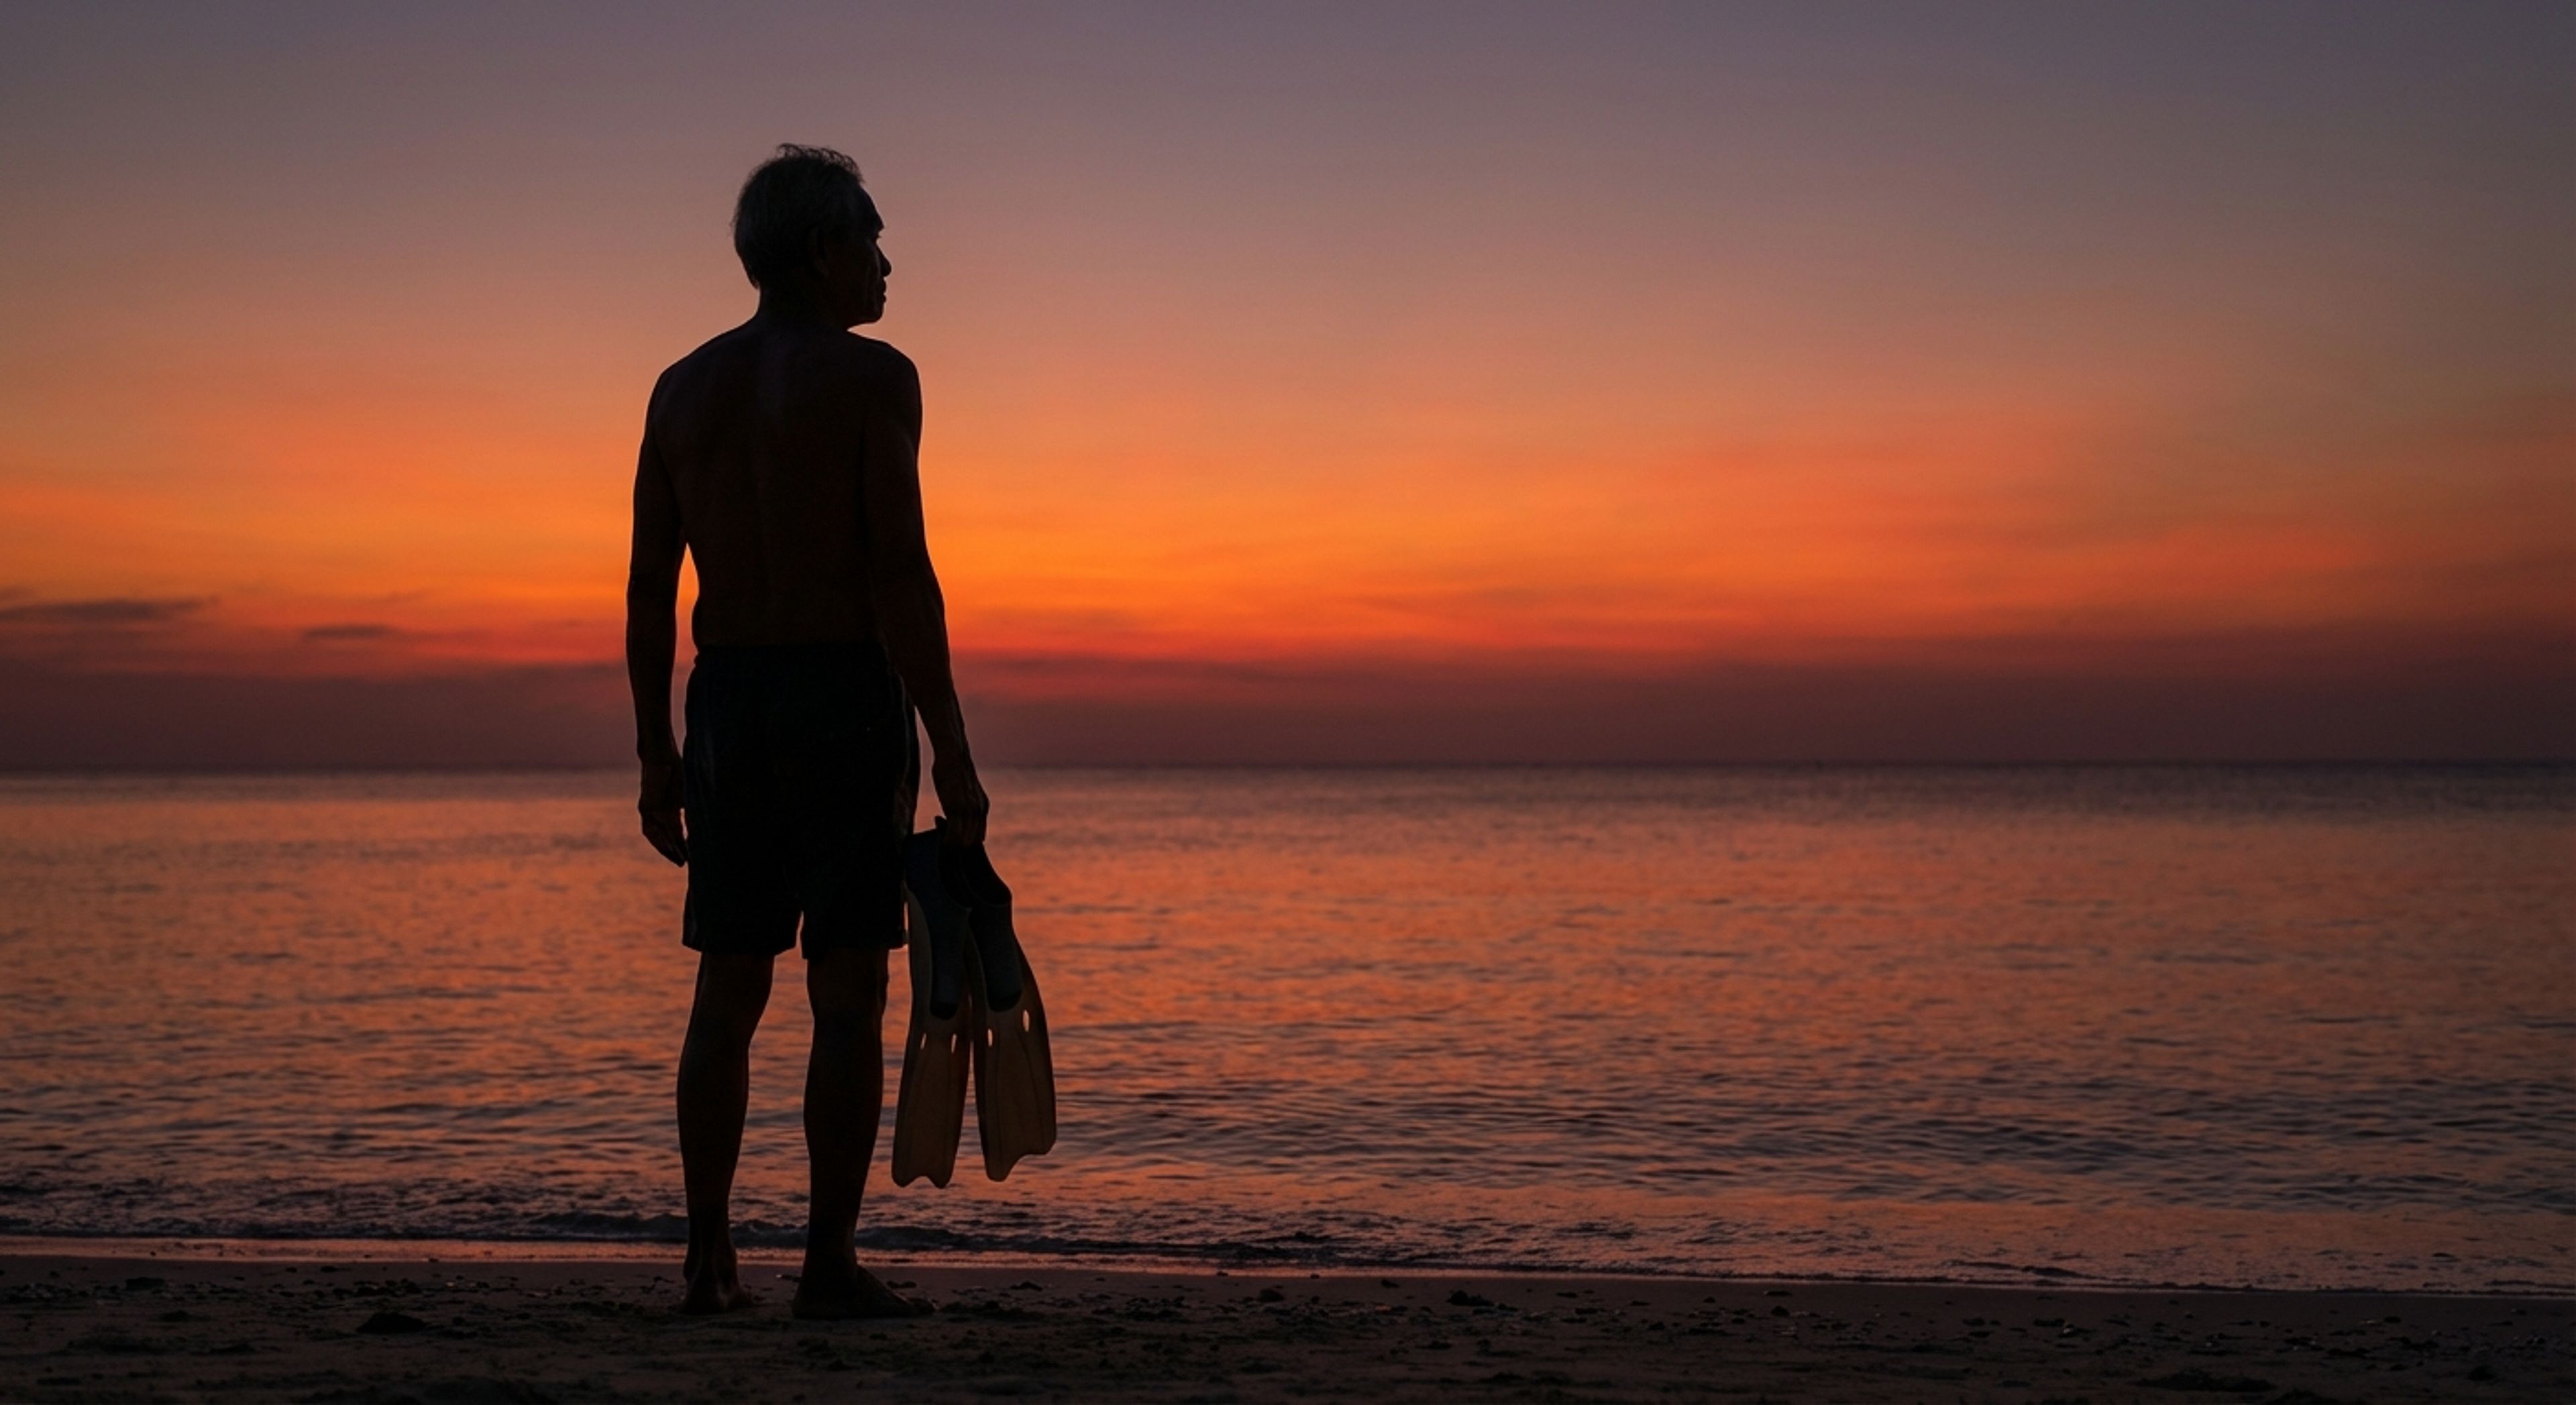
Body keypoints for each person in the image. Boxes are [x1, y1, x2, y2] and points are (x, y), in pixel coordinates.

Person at [624, 144, 987, 1318]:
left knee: (725, 994)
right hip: (839, 698)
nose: (888, 264)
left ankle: (707, 1257)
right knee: (846, 993)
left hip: (726, 701)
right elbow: (901, 577)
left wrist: (656, 755)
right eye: (875, 239)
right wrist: (957, 752)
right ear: (825, 251)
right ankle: (828, 1264)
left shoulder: (682, 388)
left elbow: (645, 592)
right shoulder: (875, 380)